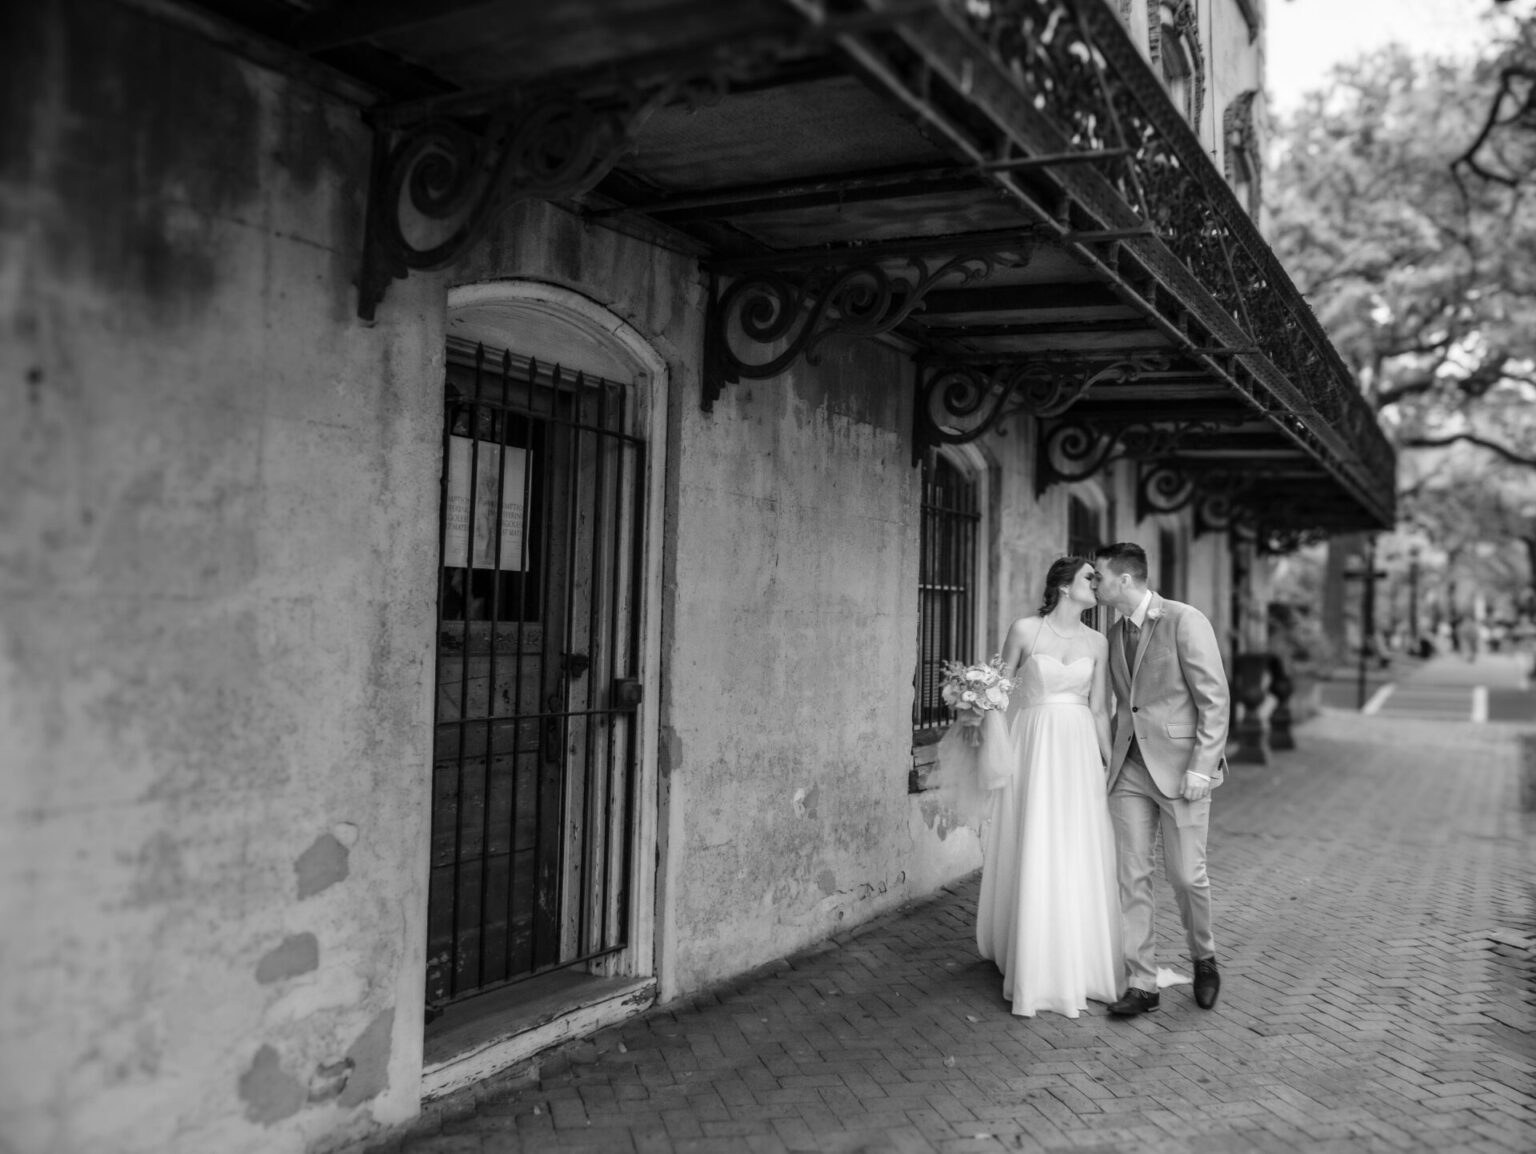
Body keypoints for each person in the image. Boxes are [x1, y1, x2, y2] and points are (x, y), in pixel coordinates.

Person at [973, 556, 1122, 1018]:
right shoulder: (1024, 629)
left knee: (1076, 842)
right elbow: (998, 687)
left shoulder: (1098, 641)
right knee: (1035, 835)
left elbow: (1099, 709)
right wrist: (976, 692)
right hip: (1035, 743)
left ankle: (1077, 957)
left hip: (1077, 746)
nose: (1096, 585)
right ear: (1063, 586)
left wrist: (1108, 762)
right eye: (1088, 578)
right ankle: (1031, 954)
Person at [1093, 542, 1230, 1016]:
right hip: (1129, 769)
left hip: (1181, 770)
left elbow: (1214, 699)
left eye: (1100, 577)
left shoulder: (1184, 620)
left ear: (1125, 580)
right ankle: (1143, 983)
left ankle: (1204, 958)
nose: (1094, 584)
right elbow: (1121, 706)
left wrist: (1202, 766)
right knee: (1132, 876)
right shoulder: (1112, 634)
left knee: (1187, 876)